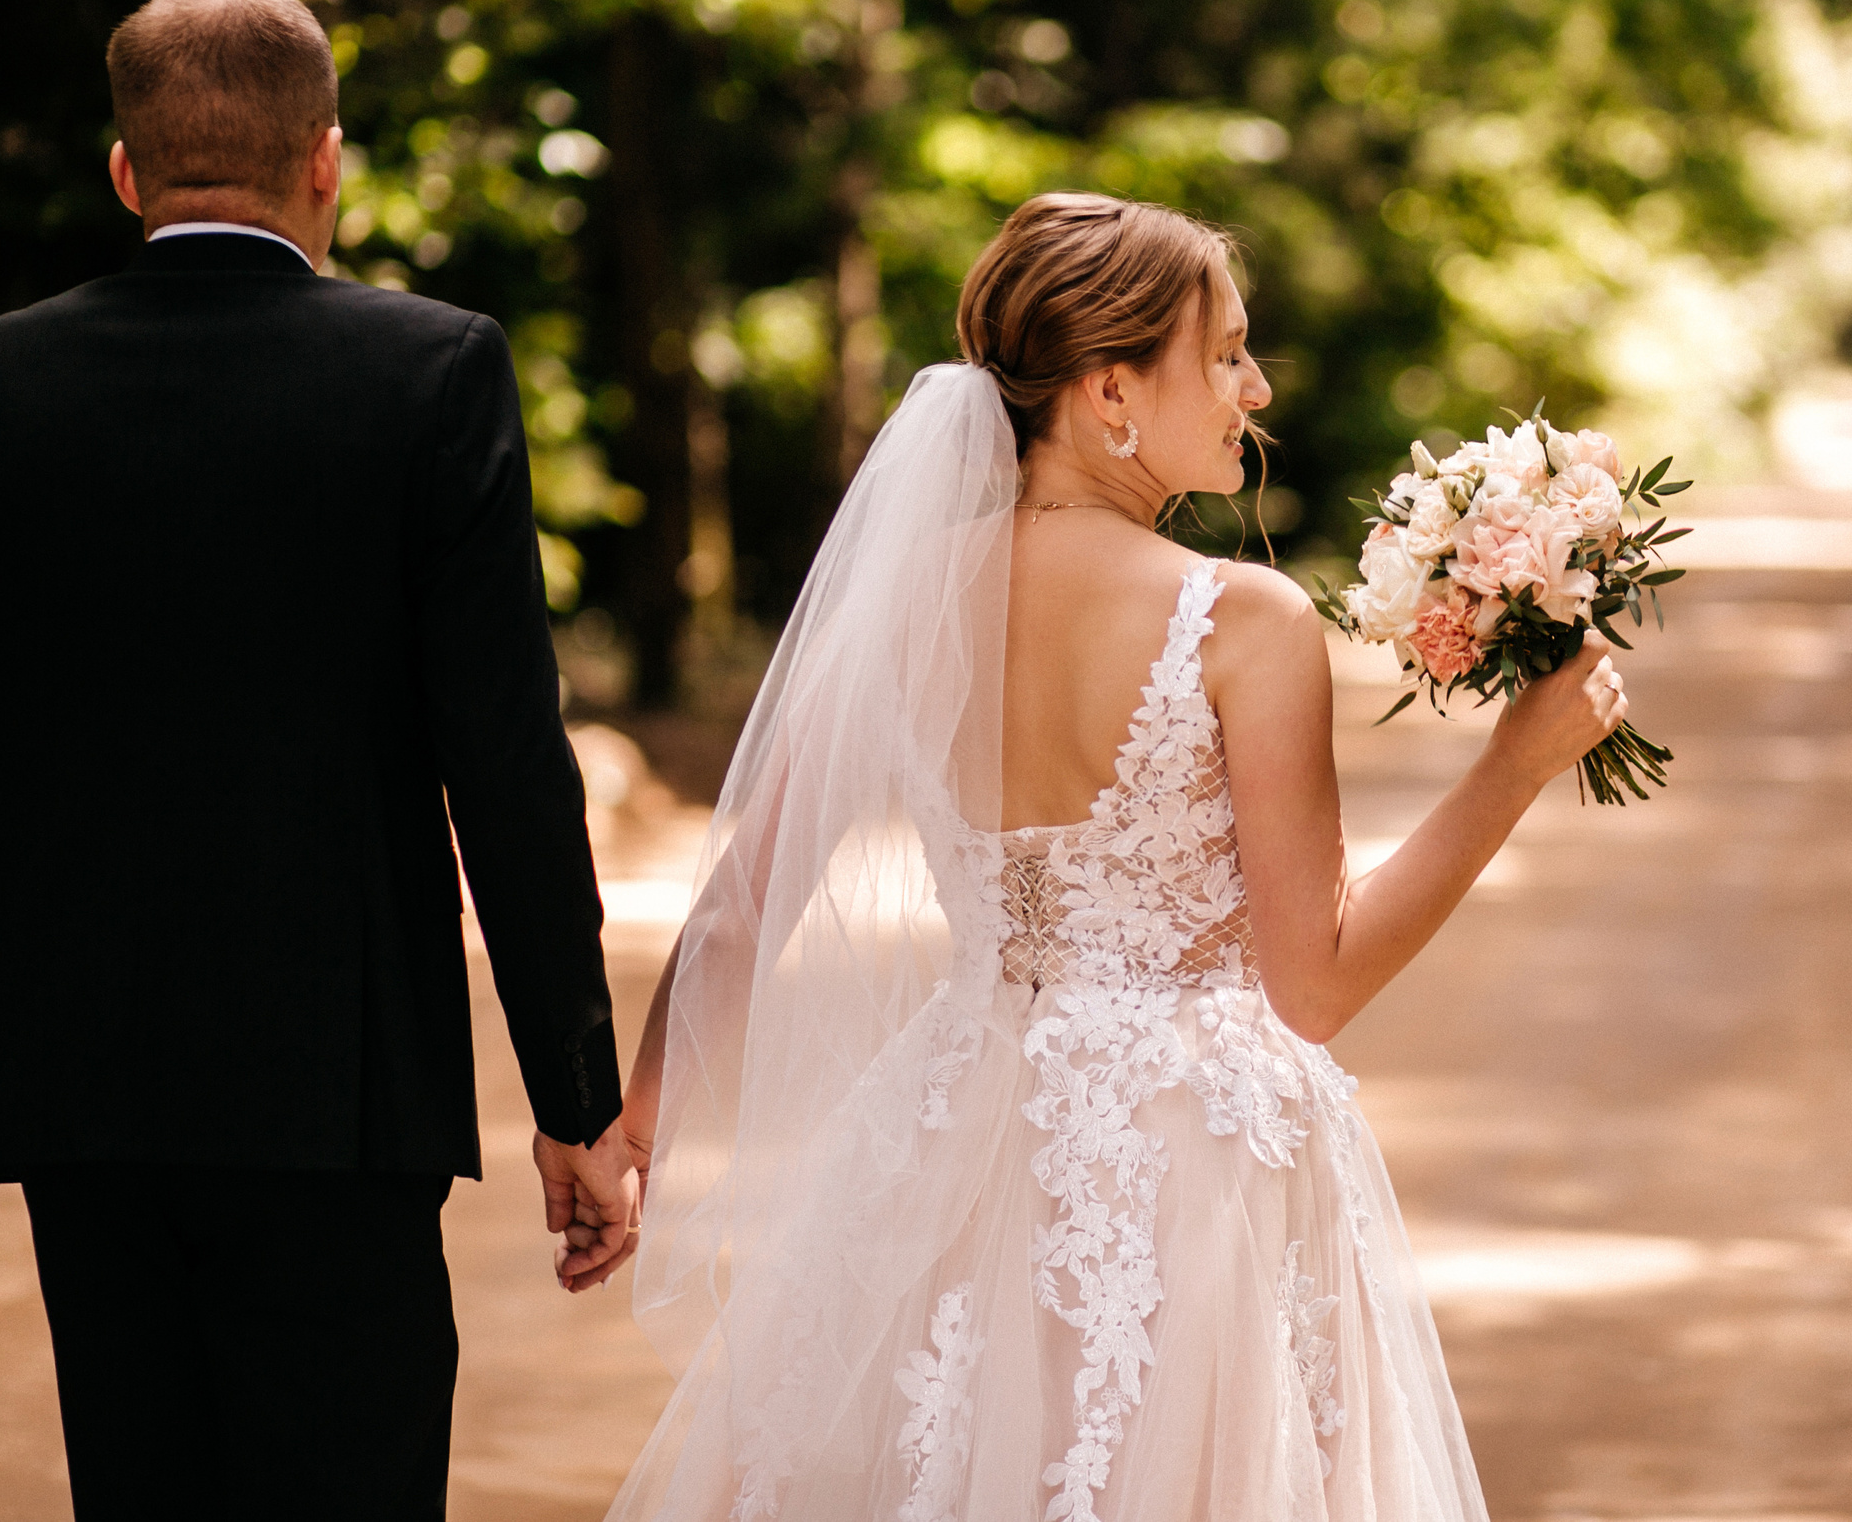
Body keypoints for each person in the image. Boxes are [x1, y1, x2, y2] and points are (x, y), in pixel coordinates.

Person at [592, 192, 1626, 1520]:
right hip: (1187, 1166)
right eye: (1229, 351)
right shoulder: (1241, 620)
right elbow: (1315, 983)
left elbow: (744, 906)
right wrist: (1512, 769)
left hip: (953, 1130)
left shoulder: (901, 603)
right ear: (1111, 387)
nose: (1255, 386)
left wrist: (637, 1123)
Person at [0, 0, 639, 1518]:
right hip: (340, 1088)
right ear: (327, 160)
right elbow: (510, 769)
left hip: (76, 1084)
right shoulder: (433, 371)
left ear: (124, 173)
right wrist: (576, 1105)